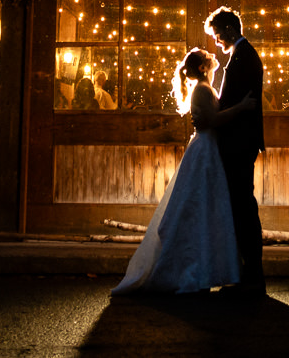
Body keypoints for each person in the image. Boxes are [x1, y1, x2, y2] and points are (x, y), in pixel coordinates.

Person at [109, 47, 257, 295]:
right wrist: (241, 107)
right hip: (205, 150)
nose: (213, 59)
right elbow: (212, 120)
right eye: (208, 59)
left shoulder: (202, 88)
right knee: (198, 207)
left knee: (203, 208)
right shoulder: (201, 89)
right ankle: (193, 269)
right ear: (202, 67)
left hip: (207, 148)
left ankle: (204, 268)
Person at [207, 5, 267, 294]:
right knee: (240, 205)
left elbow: (234, 103)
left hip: (240, 142)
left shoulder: (244, 58)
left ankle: (252, 274)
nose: (217, 41)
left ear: (230, 30)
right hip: (240, 141)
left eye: (218, 35)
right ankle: (246, 271)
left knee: (242, 206)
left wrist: (211, 112)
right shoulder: (242, 56)